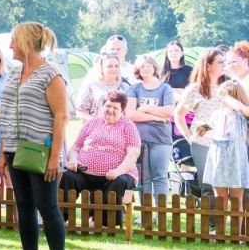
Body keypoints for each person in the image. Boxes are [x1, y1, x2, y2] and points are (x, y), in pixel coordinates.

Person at [0, 22, 68, 250]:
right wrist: (4, 151)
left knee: (47, 208)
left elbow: (61, 117)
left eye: (13, 41)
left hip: (41, 151)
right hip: (15, 150)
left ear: (26, 43)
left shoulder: (51, 75)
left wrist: (54, 157)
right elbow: (7, 113)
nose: (10, 46)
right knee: (24, 207)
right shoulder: (15, 73)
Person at [62, 92, 141, 226]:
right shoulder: (91, 123)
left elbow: (133, 154)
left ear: (122, 110)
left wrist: (118, 171)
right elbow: (75, 148)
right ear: (102, 106)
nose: (110, 110)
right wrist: (73, 160)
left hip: (116, 175)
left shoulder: (128, 125)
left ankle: (103, 222)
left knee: (120, 181)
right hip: (86, 172)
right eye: (108, 106)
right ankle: (60, 218)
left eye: (115, 108)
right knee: (68, 177)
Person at [174, 48, 226, 232]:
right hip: (203, 143)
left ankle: (234, 225)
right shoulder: (195, 89)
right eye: (220, 62)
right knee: (208, 184)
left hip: (227, 142)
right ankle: (213, 227)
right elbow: (179, 114)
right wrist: (188, 136)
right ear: (208, 65)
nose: (224, 65)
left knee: (226, 184)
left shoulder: (228, 86)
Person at [126, 55, 175, 206]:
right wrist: (155, 117)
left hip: (161, 139)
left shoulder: (165, 88)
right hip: (139, 139)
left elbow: (168, 112)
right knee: (143, 178)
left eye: (148, 65)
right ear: (137, 70)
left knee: (160, 176)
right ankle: (145, 213)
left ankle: (160, 213)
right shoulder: (134, 89)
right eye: (142, 66)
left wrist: (146, 108)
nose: (145, 69)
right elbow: (130, 114)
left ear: (154, 68)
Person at [200, 80, 249, 218]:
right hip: (218, 160)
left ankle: (236, 231)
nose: (220, 99)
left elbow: (243, 109)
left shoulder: (242, 115)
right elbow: (209, 125)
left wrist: (228, 97)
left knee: (236, 200)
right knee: (220, 200)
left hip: (236, 162)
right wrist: (202, 128)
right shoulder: (218, 114)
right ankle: (220, 230)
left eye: (223, 96)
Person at [76, 54, 130, 122]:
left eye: (116, 66)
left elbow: (130, 112)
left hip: (120, 127)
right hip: (96, 126)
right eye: (109, 66)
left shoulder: (126, 87)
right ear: (102, 68)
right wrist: (97, 122)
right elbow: (80, 112)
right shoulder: (92, 86)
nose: (114, 69)